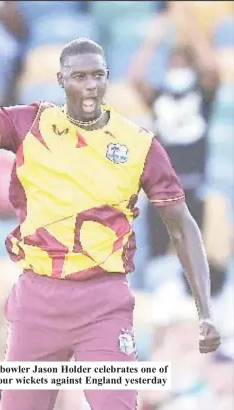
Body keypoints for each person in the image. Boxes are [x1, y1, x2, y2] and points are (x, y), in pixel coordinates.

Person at [0, 7, 221, 410]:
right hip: (38, 299)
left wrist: (205, 311)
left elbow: (181, 224)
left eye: (97, 75)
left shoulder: (138, 144)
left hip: (104, 301)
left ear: (107, 79)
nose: (89, 85)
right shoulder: (31, 124)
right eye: (78, 76)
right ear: (60, 80)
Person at [127, 12, 225, 296]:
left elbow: (212, 70)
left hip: (192, 190)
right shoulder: (160, 98)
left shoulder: (202, 96)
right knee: (158, 260)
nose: (177, 66)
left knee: (195, 260)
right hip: (162, 192)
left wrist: (191, 28)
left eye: (183, 62)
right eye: (174, 61)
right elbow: (134, 79)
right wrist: (153, 41)